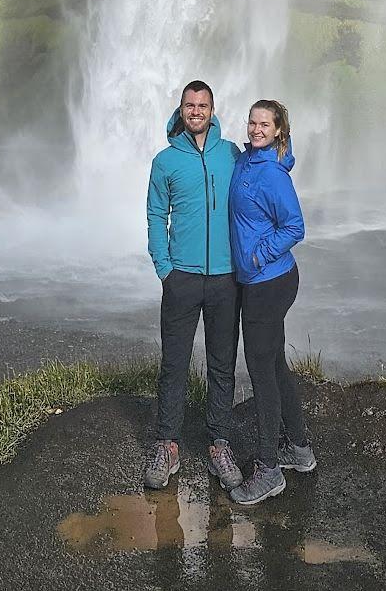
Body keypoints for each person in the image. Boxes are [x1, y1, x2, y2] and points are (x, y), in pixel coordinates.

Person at [144, 81, 244, 494]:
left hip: (225, 277)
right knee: (174, 363)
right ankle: (167, 445)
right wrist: (164, 268)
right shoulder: (165, 161)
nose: (196, 111)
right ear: (181, 109)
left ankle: (219, 445)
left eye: (203, 105)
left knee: (222, 364)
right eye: (190, 105)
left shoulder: (232, 154)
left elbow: (270, 163)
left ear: (212, 109)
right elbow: (155, 216)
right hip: (181, 278)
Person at [227, 99, 313, 507]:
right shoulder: (247, 160)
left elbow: (295, 226)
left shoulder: (273, 174)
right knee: (275, 363)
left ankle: (268, 471)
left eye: (265, 124)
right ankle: (299, 449)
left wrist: (259, 255)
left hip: (269, 282)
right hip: (262, 280)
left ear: (279, 130)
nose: (256, 129)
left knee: (261, 372)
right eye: (252, 122)